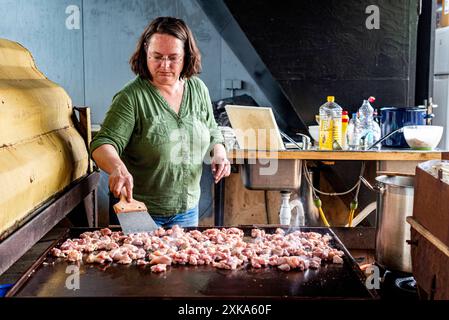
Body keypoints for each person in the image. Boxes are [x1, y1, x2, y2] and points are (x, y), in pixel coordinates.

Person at [90, 17, 230, 228]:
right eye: (157, 57)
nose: (164, 65)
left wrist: (219, 153)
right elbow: (102, 143)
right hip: (139, 210)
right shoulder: (131, 97)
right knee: (141, 261)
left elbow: (212, 130)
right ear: (146, 52)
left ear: (186, 57)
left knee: (184, 261)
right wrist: (117, 167)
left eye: (173, 58)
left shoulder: (198, 89)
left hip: (187, 210)